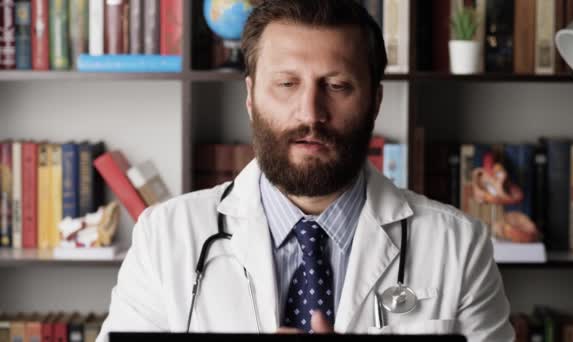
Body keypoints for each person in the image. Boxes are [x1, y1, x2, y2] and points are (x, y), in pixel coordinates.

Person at [96, 1, 515, 341]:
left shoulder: (458, 245)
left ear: (375, 101)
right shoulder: (164, 237)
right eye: (286, 84)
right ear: (251, 96)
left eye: (336, 86)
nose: (311, 113)